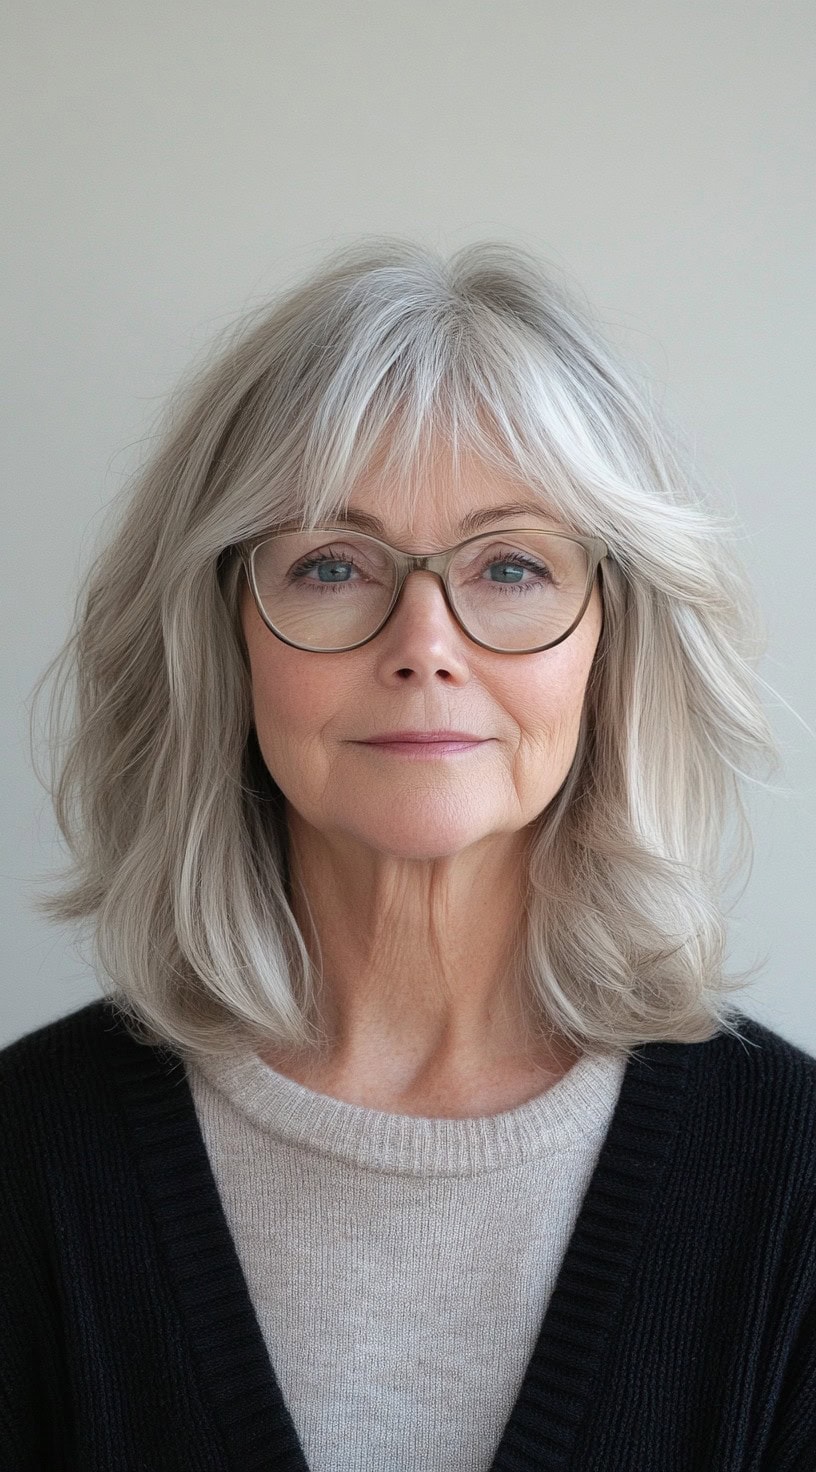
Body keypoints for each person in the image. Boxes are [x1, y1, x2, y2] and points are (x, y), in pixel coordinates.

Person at [2, 240, 814, 1470]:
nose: (425, 642)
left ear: (612, 645)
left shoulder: (792, 1178)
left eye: (512, 565)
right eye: (332, 565)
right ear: (219, 637)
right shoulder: (27, 1160)